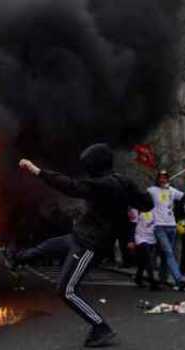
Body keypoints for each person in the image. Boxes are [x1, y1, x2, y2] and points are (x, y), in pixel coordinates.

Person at [13, 143, 153, 348]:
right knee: (45, 247)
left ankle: (101, 328)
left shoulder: (106, 184)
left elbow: (71, 186)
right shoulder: (124, 182)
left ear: (95, 164)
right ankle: (18, 259)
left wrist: (37, 171)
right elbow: (147, 204)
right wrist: (141, 195)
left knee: (66, 290)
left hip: (89, 245)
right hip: (78, 236)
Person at [147, 170, 185, 291]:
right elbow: (142, 199)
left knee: (166, 254)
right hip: (159, 226)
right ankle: (179, 279)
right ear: (157, 179)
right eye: (161, 177)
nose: (163, 180)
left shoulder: (172, 190)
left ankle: (162, 279)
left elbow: (184, 197)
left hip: (172, 226)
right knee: (169, 252)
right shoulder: (152, 190)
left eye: (165, 177)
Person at [128, 209, 160, 290]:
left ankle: (138, 278)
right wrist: (131, 240)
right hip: (141, 238)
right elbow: (132, 225)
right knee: (148, 258)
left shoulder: (156, 209)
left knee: (143, 260)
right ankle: (152, 282)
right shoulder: (136, 210)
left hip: (152, 238)